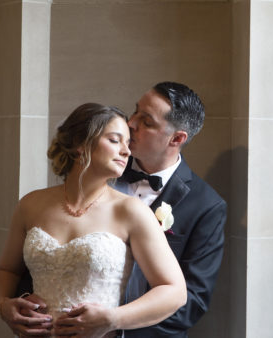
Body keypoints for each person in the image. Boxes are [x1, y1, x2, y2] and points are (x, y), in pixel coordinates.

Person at [0, 103, 187, 337]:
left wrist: (112, 319)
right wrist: (5, 305)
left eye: (127, 143)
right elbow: (7, 270)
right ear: (79, 145)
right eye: (115, 141)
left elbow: (175, 291)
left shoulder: (131, 211)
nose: (126, 151)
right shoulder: (30, 205)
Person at [114, 81, 227, 337]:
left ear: (176, 138)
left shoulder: (207, 206)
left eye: (147, 121)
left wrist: (114, 324)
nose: (130, 123)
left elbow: (192, 302)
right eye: (135, 112)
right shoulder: (103, 172)